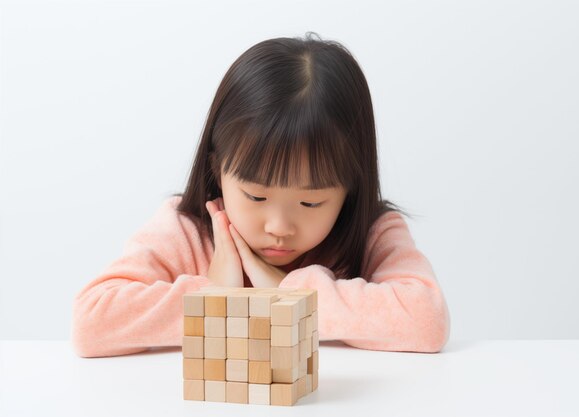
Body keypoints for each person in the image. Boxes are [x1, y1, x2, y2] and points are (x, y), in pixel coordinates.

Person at [71, 32, 450, 358]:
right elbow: (91, 323)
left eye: (310, 203)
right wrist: (217, 295)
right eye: (255, 196)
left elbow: (427, 320)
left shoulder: (372, 232)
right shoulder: (186, 230)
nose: (279, 226)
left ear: (351, 185)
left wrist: (289, 294)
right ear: (217, 170)